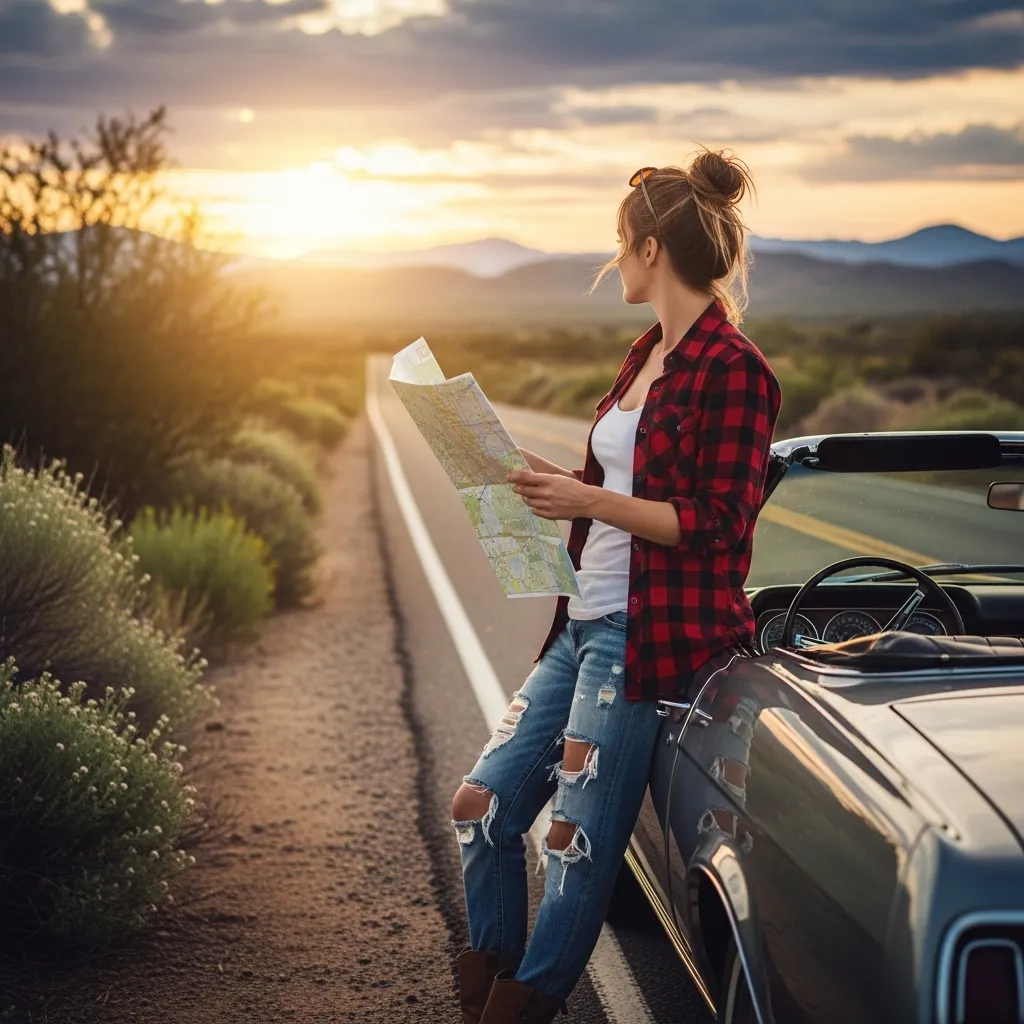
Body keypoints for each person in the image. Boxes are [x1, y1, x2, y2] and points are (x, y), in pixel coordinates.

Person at [450, 149, 783, 1024]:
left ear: (650, 251)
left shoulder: (736, 369)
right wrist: (527, 472)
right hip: (581, 624)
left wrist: (590, 496)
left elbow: (719, 523)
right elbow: (618, 485)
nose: (614, 263)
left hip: (645, 641)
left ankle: (521, 1005)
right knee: (481, 807)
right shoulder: (644, 356)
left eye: (619, 246)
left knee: (576, 842)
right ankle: (489, 981)